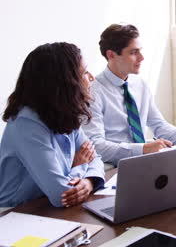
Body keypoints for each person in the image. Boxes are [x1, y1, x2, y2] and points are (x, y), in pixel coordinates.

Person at [83, 24, 176, 165]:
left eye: (140, 51)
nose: (141, 58)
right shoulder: (93, 92)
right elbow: (95, 145)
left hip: (143, 161)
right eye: (133, 52)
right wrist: (142, 149)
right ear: (111, 55)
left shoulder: (141, 85)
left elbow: (158, 125)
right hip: (112, 167)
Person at [0, 42, 105, 208]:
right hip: (14, 213)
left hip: (44, 206)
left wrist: (89, 181)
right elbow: (62, 195)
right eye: (84, 72)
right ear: (65, 82)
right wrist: (80, 166)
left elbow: (95, 157)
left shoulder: (64, 112)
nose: (91, 77)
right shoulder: (26, 124)